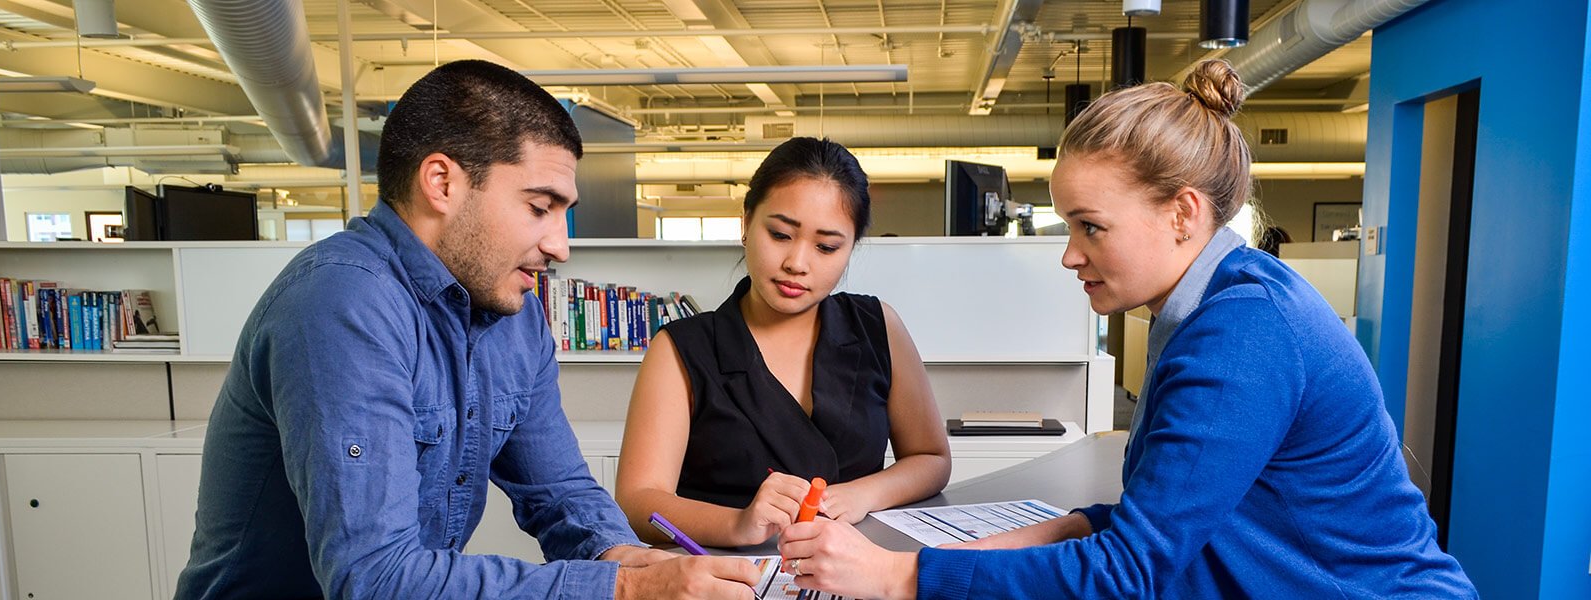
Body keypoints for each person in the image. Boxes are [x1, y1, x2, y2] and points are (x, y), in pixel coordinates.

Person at [774, 60, 1477, 598]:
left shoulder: (1244, 333)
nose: (1069, 253)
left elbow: (1129, 574)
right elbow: (1162, 518)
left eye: (1091, 226)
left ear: (1183, 214)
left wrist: (899, 578)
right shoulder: (1217, 307)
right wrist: (1038, 536)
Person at [176, 60, 758, 600]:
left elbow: (559, 493)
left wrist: (630, 560)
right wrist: (625, 591)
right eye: (539, 207)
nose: (560, 245)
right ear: (442, 183)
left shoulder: (513, 311)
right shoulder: (341, 302)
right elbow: (376, 577)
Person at [615, 137, 952, 548]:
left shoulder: (878, 325)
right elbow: (637, 502)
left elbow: (931, 459)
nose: (797, 263)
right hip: (730, 579)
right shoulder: (681, 349)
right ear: (746, 224)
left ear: (850, 249)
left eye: (827, 246)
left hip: (860, 571)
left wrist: (866, 493)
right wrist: (738, 523)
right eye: (779, 235)